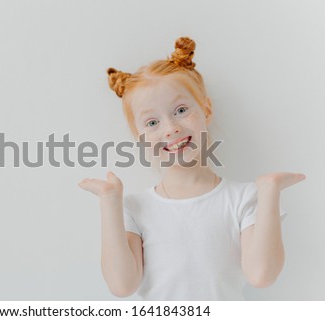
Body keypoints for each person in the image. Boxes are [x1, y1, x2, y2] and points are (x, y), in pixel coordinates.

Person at [78, 37, 305, 300]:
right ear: (138, 135)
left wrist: (269, 191)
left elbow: (262, 275)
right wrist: (109, 202)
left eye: (181, 110)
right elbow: (122, 285)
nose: (170, 128)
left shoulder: (244, 199)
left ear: (206, 109)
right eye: (152, 122)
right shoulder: (133, 208)